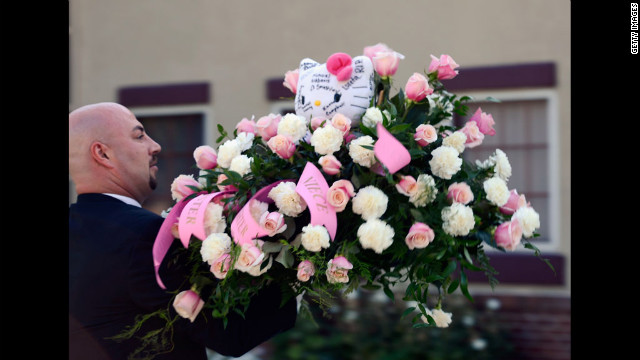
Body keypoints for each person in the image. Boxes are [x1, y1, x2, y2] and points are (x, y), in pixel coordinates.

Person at [69, 102, 297, 360]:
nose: (155, 146)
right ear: (102, 153)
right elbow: (232, 334)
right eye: (139, 135)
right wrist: (289, 251)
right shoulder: (146, 237)